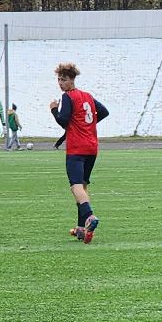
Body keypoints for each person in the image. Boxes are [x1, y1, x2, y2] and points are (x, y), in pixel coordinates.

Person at [50, 63, 109, 243]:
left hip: (77, 148)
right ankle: (82, 229)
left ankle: (89, 216)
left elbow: (63, 120)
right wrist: (86, 124)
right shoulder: (87, 96)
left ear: (72, 80)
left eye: (64, 80)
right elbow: (104, 112)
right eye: (59, 79)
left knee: (75, 185)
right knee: (82, 187)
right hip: (92, 147)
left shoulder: (68, 97)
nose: (61, 83)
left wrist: (53, 109)